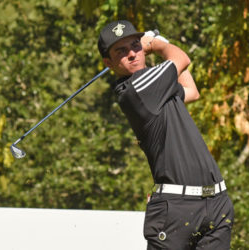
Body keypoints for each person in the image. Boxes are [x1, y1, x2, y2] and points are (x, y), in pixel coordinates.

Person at [97, 20, 234, 250]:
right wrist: (156, 45)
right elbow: (182, 59)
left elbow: (191, 91)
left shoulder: (157, 87)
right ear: (108, 63)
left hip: (216, 203)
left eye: (135, 46)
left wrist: (163, 45)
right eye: (121, 51)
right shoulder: (136, 88)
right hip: (176, 209)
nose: (132, 54)